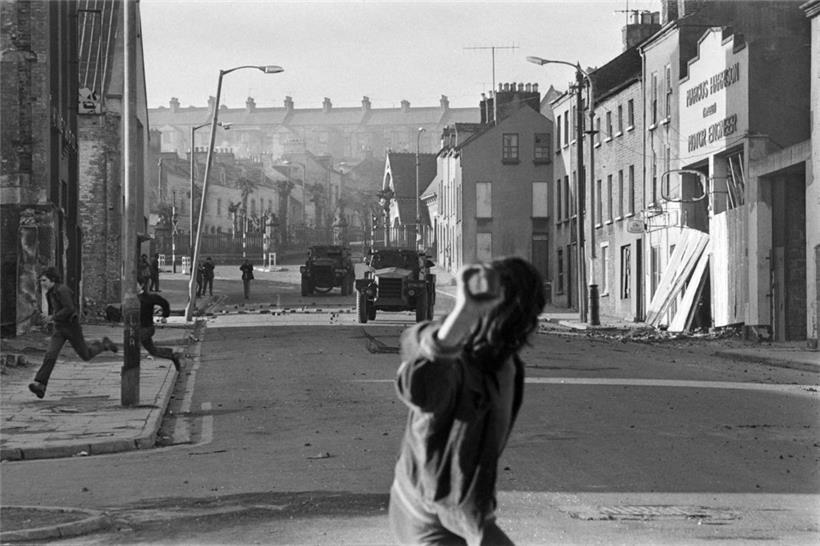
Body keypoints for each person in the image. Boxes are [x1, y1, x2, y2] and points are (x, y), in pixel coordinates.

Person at [389, 257, 546, 546]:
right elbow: (420, 385)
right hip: (425, 512)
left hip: (464, 512)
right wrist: (465, 312)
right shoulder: (454, 357)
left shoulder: (509, 366)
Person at [28, 267, 119, 399]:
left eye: (44, 280)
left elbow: (70, 308)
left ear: (52, 280)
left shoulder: (62, 290)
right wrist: (51, 318)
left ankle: (104, 345)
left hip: (72, 327)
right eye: (41, 281)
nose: (42, 283)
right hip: (59, 329)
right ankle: (40, 384)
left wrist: (53, 317)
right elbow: (55, 310)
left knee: (86, 355)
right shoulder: (50, 293)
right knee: (50, 355)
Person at [137, 286, 182, 372]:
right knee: (153, 351)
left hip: (147, 328)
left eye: (136, 283)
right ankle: (172, 355)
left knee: (132, 345)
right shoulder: (130, 297)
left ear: (141, 285)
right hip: (137, 328)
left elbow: (164, 302)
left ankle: (132, 370)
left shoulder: (148, 297)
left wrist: (165, 314)